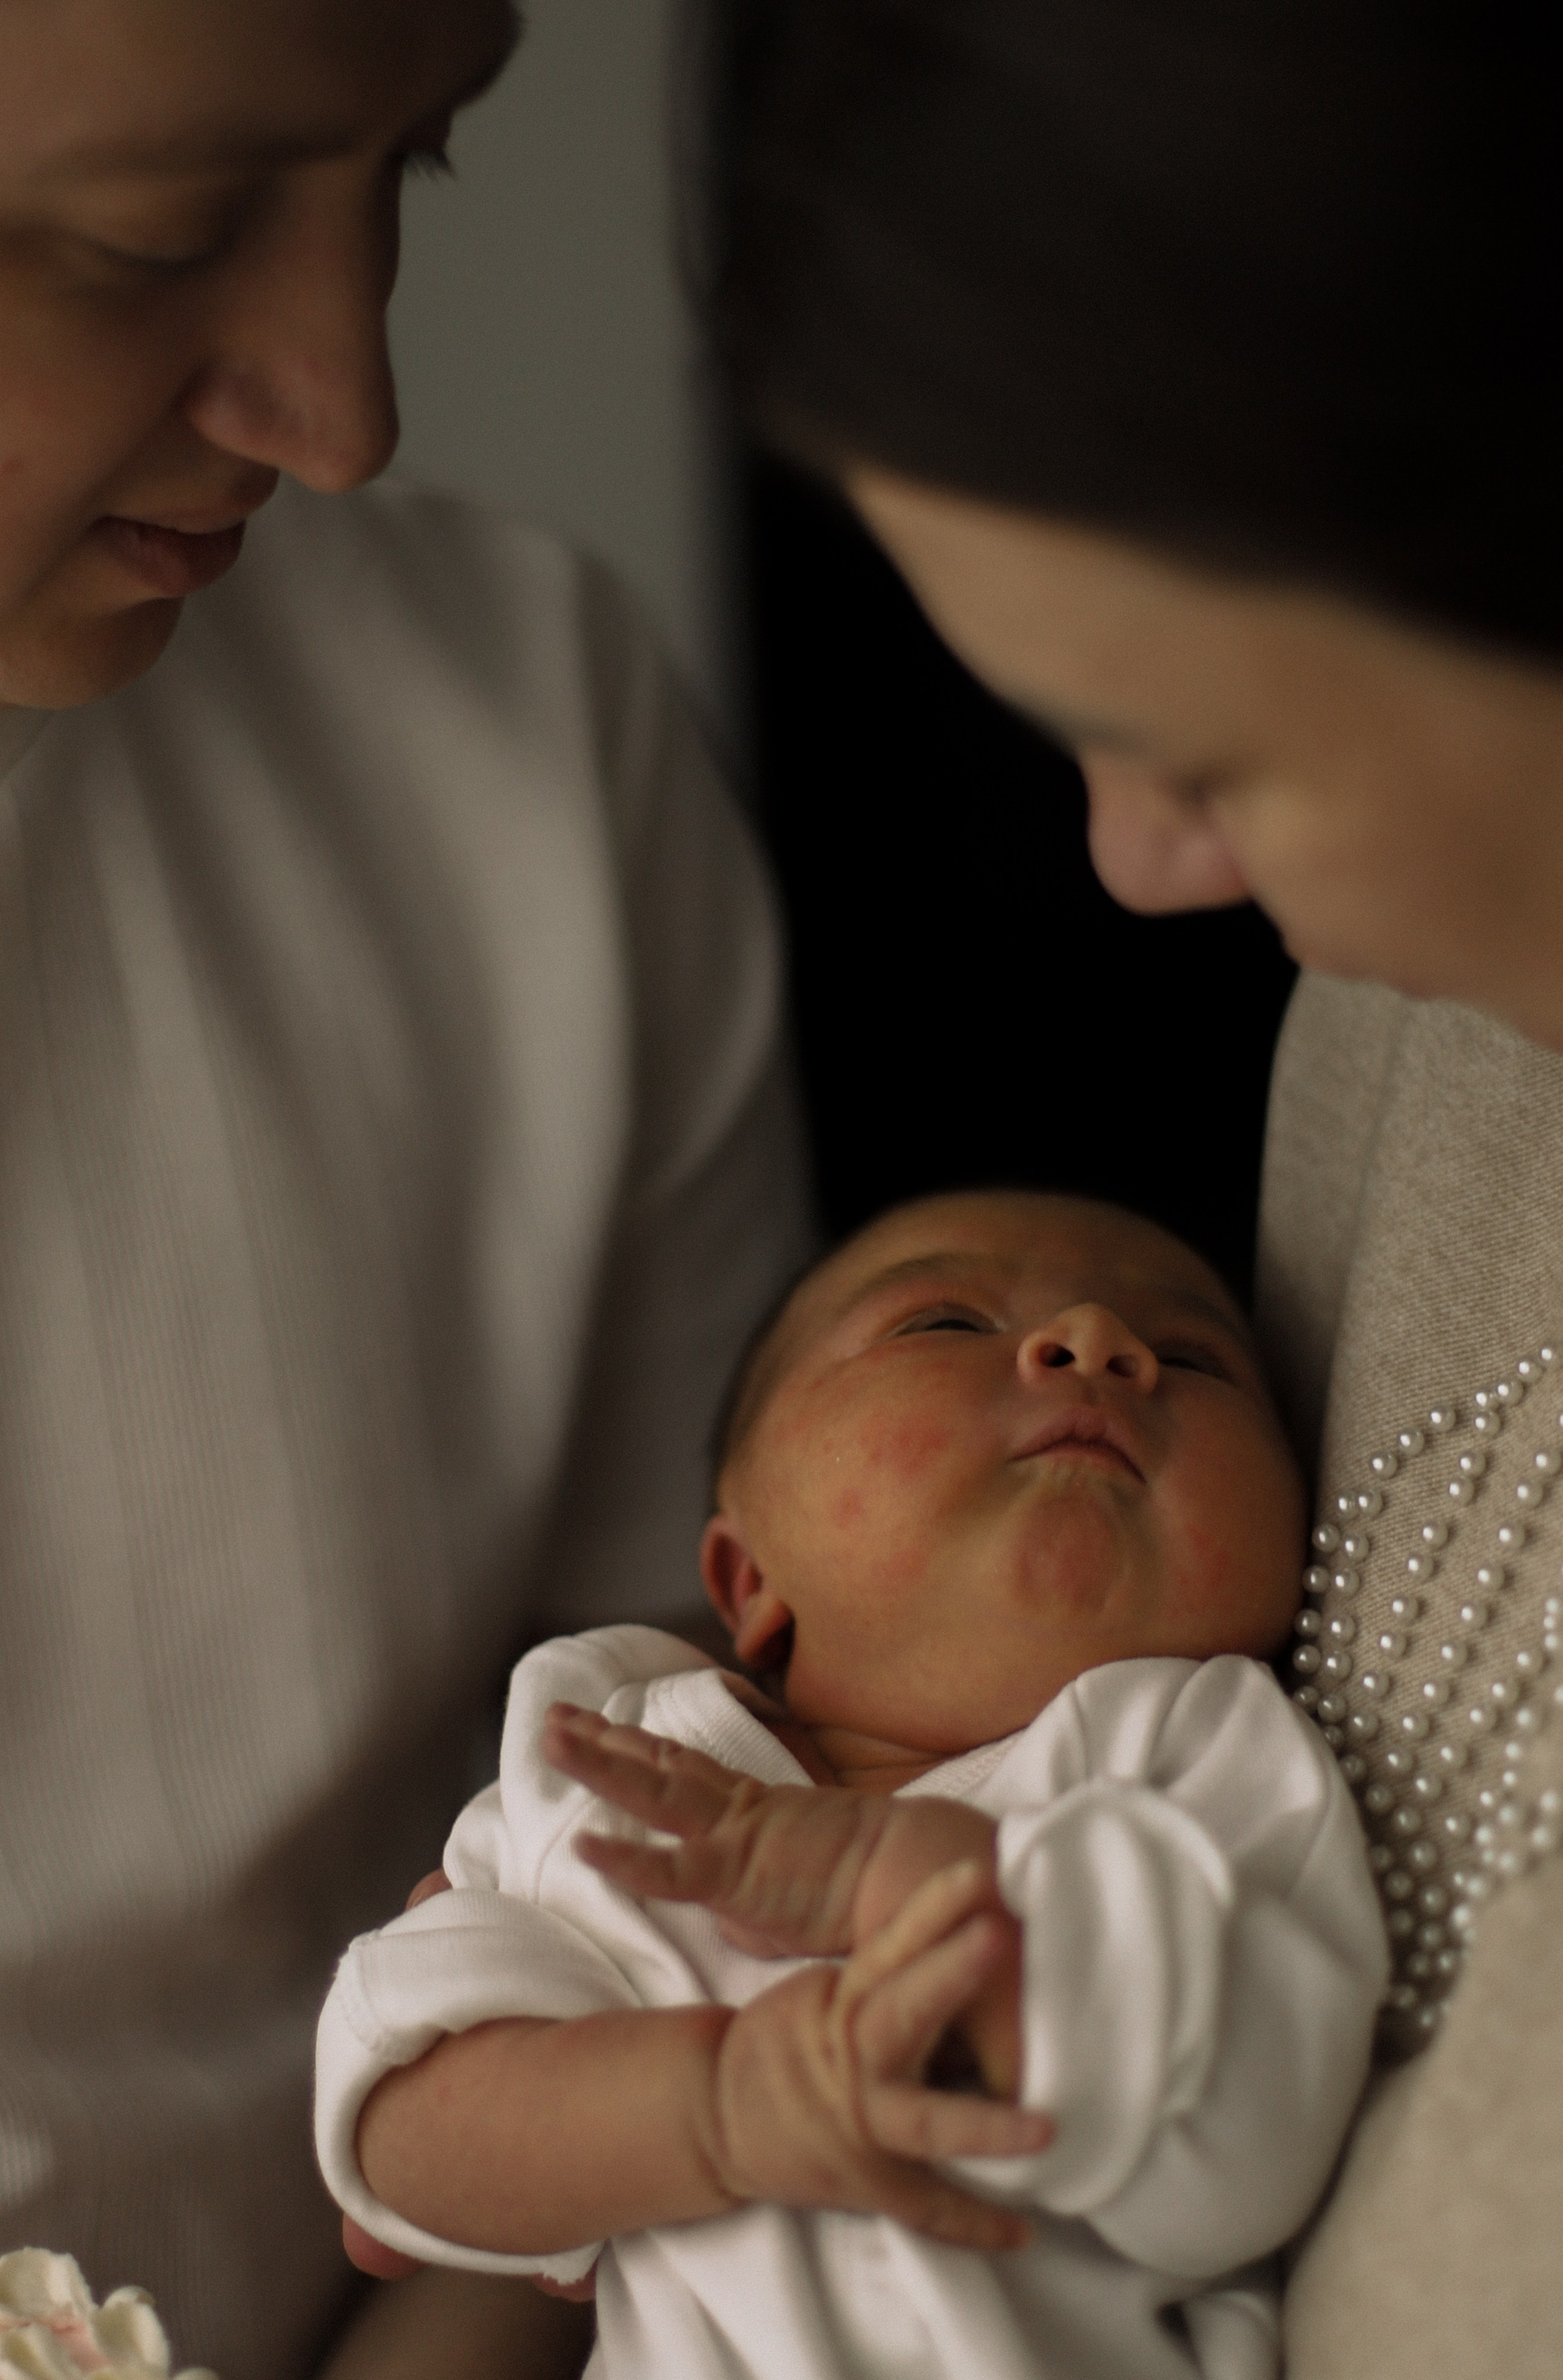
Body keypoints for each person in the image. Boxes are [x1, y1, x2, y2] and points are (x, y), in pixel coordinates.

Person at [705, 6, 1563, 2374]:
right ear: (735, 1583)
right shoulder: (1403, 1037)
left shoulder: (1188, 1774)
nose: (1135, 871)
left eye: (1192, 751)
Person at [0, 4, 809, 2377]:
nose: (346, 413)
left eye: (419, 170)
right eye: (155, 234)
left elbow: (648, 1909)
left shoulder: (524, 760)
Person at [315, 1190, 1386, 2380]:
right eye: (942, 1323)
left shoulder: (1205, 1750)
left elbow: (1262, 2131)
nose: (1097, 1338)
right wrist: (718, 2109)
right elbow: (399, 2108)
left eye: (1193, 1359)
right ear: (749, 1577)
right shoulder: (618, 1763)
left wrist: (904, 1877)